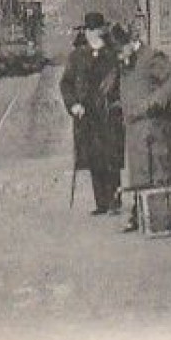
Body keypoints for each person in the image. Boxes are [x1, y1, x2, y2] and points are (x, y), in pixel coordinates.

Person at [116, 24, 171, 232]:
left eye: (121, 51)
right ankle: (141, 212)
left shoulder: (150, 57)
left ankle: (166, 216)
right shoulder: (126, 62)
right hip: (136, 128)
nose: (120, 57)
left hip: (156, 127)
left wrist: (156, 101)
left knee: (160, 170)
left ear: (129, 43)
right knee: (141, 173)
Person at [58, 12, 125, 215]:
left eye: (95, 30)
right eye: (89, 30)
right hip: (87, 116)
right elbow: (66, 83)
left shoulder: (113, 55)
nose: (92, 34)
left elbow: (122, 82)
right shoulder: (77, 56)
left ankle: (114, 200)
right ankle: (101, 203)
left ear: (102, 31)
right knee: (94, 158)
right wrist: (73, 105)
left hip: (109, 114)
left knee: (111, 157)